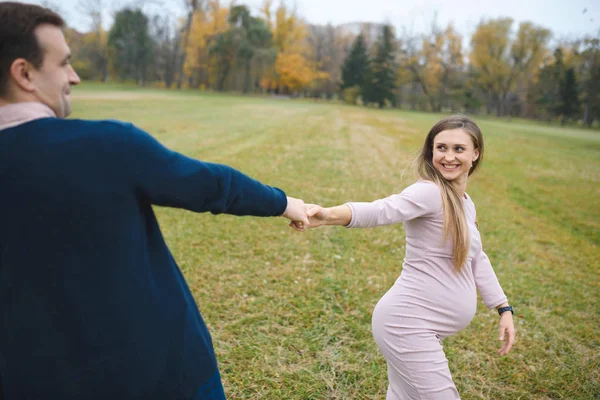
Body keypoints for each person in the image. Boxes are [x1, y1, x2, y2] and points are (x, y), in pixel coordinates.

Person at [0, 2, 309, 399]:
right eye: (64, 64)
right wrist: (284, 202)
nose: (74, 77)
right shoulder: (107, 145)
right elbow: (208, 184)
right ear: (24, 73)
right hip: (162, 376)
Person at [302, 115, 516, 399]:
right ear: (431, 151)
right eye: (441, 148)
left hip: (423, 326)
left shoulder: (465, 203)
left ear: (476, 154)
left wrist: (503, 308)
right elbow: (381, 210)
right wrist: (328, 215)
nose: (448, 157)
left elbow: (476, 257)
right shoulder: (430, 192)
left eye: (459, 149)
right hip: (406, 323)